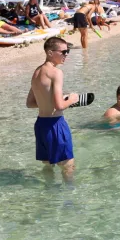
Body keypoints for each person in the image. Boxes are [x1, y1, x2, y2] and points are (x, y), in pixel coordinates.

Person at [26, 37, 77, 182]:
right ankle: (69, 199)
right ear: (49, 52)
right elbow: (59, 106)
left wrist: (49, 102)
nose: (66, 55)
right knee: (68, 166)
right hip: (56, 125)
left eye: (68, 51)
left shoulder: (36, 72)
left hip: (41, 125)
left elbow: (30, 103)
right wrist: (71, 100)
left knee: (48, 165)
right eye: (63, 52)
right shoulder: (56, 73)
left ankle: (50, 197)